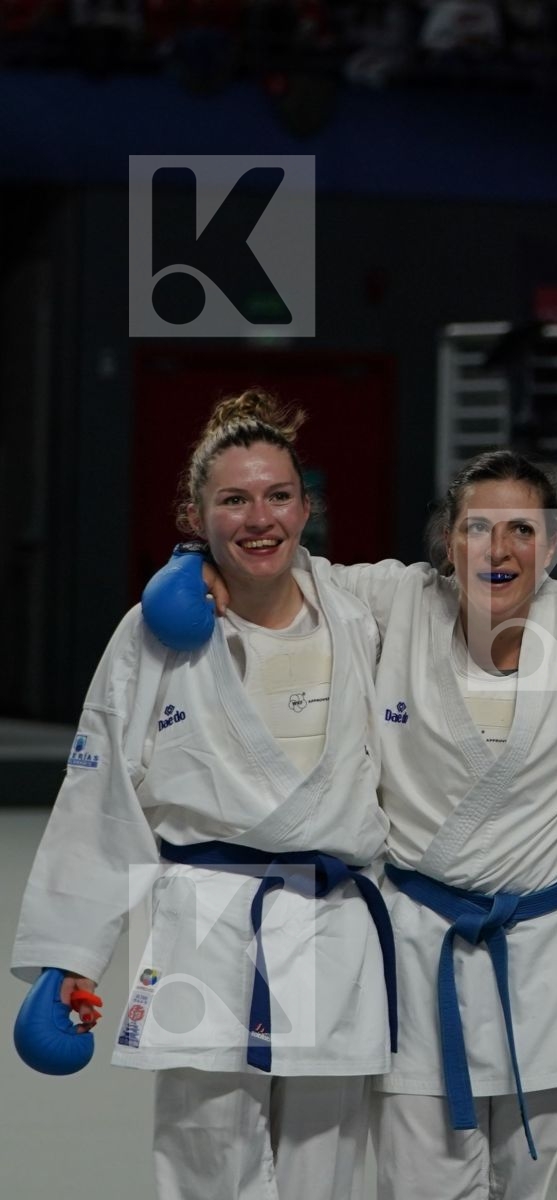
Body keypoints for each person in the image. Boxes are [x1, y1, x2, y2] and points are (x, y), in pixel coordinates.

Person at [156, 451, 557, 1200]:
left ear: (554, 543)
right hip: (419, 957)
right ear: (446, 541)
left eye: (522, 530)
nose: (499, 550)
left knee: (556, 1188)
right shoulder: (395, 599)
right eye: (478, 528)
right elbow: (279, 570)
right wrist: (195, 566)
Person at [12, 390, 394, 1199]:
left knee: (324, 1170)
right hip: (204, 925)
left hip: (333, 921)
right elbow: (102, 793)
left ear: (307, 505)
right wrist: (69, 958)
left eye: (278, 496)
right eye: (235, 499)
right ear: (195, 513)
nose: (260, 518)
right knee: (201, 1165)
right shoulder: (152, 636)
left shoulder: (361, 618)